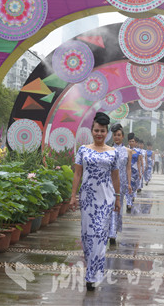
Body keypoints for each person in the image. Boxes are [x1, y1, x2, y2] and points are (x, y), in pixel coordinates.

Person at [69, 112, 121, 291]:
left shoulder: (113, 152)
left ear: (107, 133)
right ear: (91, 130)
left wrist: (118, 197)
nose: (99, 134)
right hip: (87, 199)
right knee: (87, 236)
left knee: (99, 235)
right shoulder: (83, 150)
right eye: (96, 130)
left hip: (106, 199)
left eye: (102, 131)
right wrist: (73, 195)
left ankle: (92, 275)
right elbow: (77, 174)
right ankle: (91, 269)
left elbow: (115, 177)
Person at [108, 124, 132, 245]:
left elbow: (128, 169)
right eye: (114, 135)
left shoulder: (128, 151)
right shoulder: (108, 149)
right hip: (109, 182)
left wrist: (129, 183)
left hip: (121, 183)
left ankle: (113, 231)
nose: (116, 137)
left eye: (119, 135)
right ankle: (110, 231)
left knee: (118, 206)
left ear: (122, 136)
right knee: (109, 206)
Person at [127, 133, 142, 212]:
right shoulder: (126, 150)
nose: (131, 143)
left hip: (135, 171)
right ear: (128, 142)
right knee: (129, 186)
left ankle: (132, 196)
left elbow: (139, 162)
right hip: (128, 171)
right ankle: (129, 203)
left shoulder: (138, 151)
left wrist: (140, 172)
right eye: (130, 141)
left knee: (134, 186)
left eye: (133, 141)